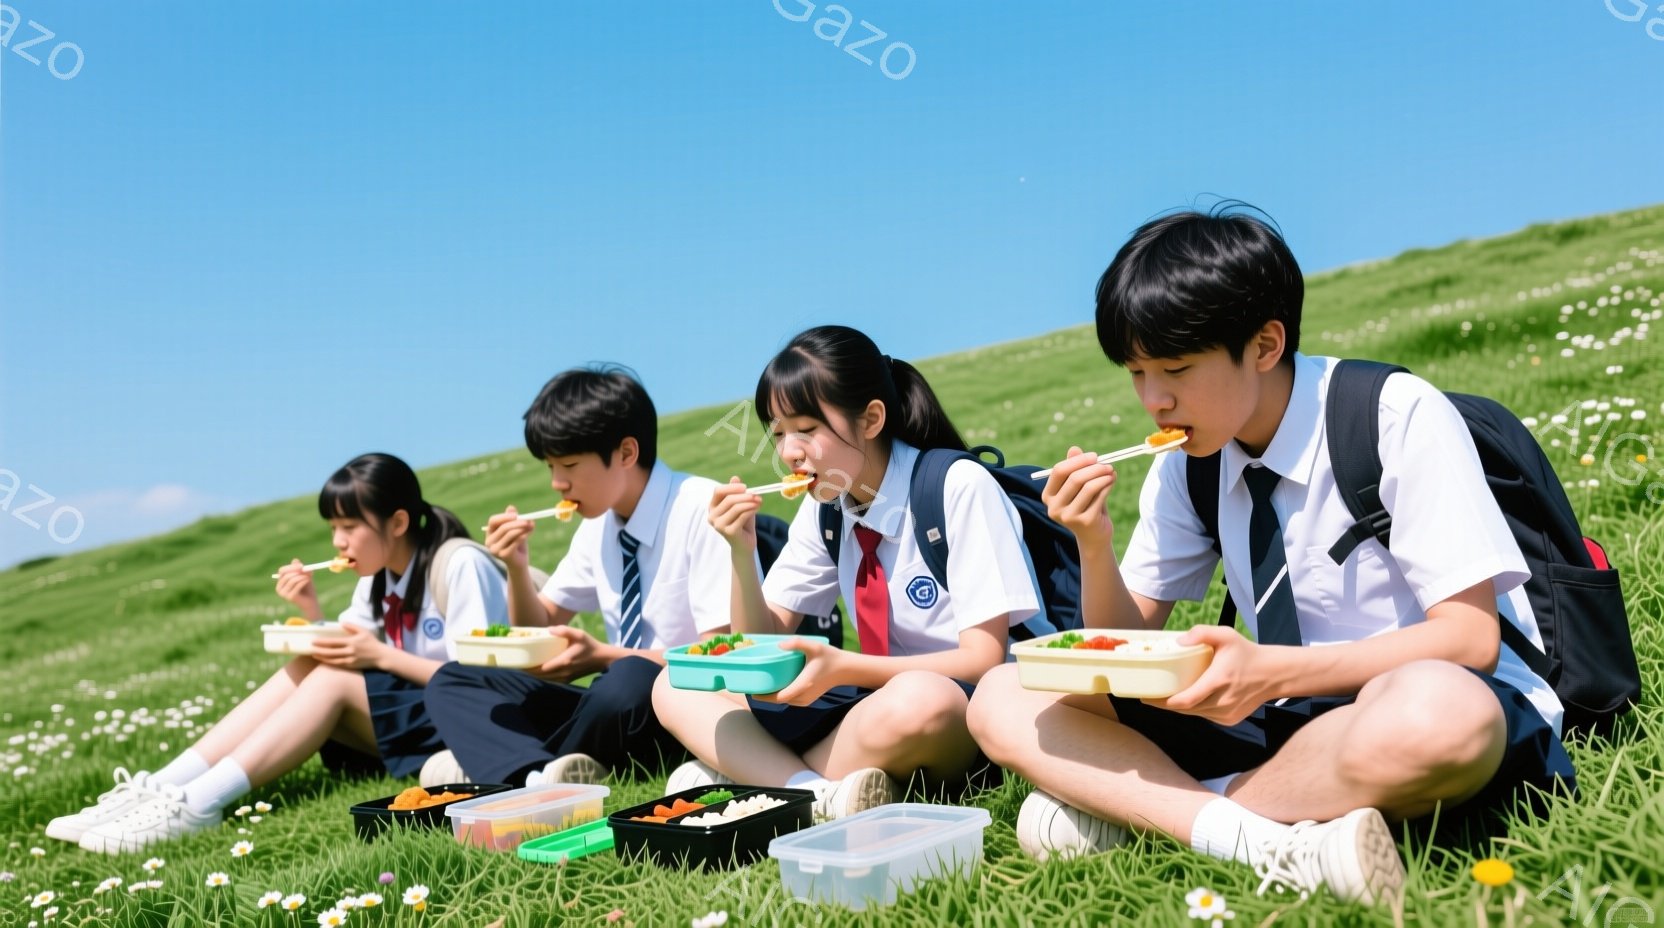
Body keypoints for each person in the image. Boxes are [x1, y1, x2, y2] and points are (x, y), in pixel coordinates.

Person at [965, 207, 1575, 905]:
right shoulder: (1191, 459)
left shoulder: (1391, 414)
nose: (1153, 400)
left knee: (1440, 718)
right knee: (1005, 693)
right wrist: (1093, 543)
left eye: (1175, 368)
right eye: (1136, 372)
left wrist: (1272, 669)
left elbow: (1468, 641)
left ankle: (1159, 811)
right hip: (1283, 715)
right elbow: (1122, 647)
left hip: (1416, 694)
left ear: (1264, 344)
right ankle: (1269, 842)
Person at [652, 325, 1046, 820]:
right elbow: (756, 650)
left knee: (920, 699)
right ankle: (810, 791)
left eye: (807, 429)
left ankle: (749, 776)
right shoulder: (827, 508)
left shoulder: (955, 485)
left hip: (964, 707)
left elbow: (983, 660)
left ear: (872, 419)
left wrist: (845, 667)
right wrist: (740, 551)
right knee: (673, 683)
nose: (788, 452)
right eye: (777, 433)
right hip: (875, 700)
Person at [52, 453, 508, 854]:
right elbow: (348, 649)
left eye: (350, 527)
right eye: (333, 528)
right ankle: (164, 787)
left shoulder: (460, 563)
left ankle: (198, 804)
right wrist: (311, 610)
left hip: (466, 722)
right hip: (415, 716)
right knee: (313, 661)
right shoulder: (378, 576)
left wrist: (381, 656)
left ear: (399, 522)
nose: (338, 542)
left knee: (330, 677)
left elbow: (481, 680)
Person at [420, 366, 739, 788]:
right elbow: (541, 626)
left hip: (680, 700)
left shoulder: (701, 507)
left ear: (626, 453)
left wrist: (602, 656)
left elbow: (720, 656)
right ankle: (536, 776)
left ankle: (508, 763)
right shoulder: (599, 525)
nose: (557, 482)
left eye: (568, 464)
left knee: (626, 680)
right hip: (610, 702)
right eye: (550, 466)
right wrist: (516, 567)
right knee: (452, 679)